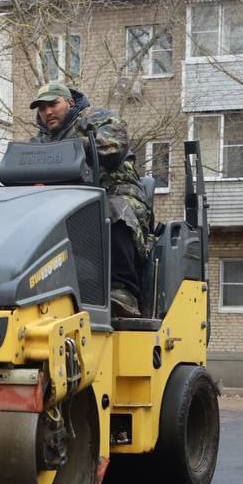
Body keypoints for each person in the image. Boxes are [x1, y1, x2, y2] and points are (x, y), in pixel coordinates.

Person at [28, 82, 152, 318]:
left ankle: (122, 290)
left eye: (53, 104)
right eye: (42, 108)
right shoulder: (40, 141)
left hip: (116, 193)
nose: (48, 112)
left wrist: (74, 147)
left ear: (70, 102)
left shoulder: (95, 118)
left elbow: (113, 146)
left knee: (113, 210)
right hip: (65, 205)